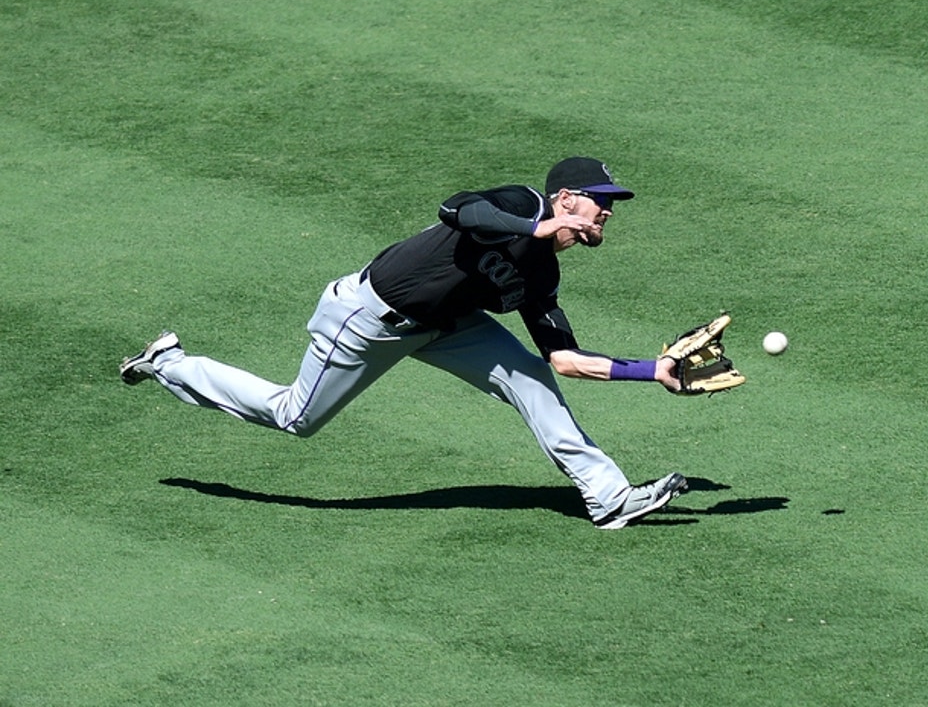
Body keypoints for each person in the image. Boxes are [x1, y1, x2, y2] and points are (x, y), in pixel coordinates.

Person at [119, 157, 688, 529]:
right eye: (600, 199)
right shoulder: (521, 205)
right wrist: (533, 229)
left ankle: (608, 498)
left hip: (451, 327)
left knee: (532, 377)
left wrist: (652, 370)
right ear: (566, 198)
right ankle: (170, 363)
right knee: (296, 417)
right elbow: (457, 208)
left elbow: (563, 359)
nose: (609, 210)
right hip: (369, 317)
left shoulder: (544, 277)